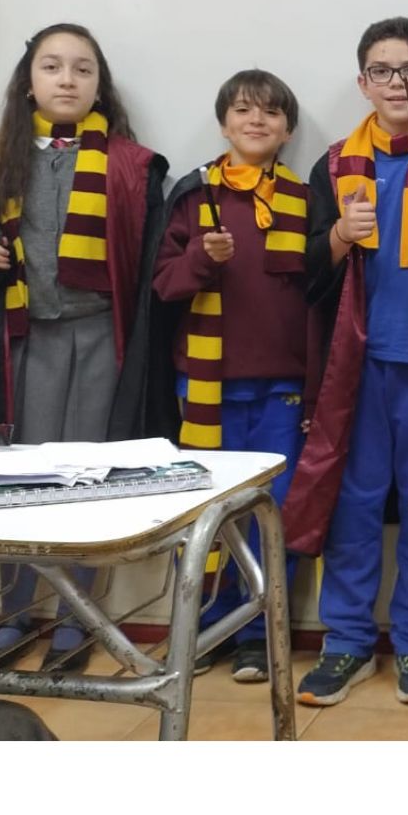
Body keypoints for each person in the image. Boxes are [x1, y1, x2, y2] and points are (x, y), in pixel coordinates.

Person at [282, 18, 408, 706]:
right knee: (353, 503)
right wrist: (340, 235)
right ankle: (345, 641)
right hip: (356, 363)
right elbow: (306, 269)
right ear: (363, 83)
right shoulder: (336, 164)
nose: (398, 83)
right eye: (382, 71)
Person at [0, 24, 168, 671]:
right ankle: (15, 616)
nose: (67, 79)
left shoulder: (133, 167)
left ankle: (78, 621)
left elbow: (147, 265)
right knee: (16, 483)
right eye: (51, 66)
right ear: (28, 81)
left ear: (99, 86)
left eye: (83, 69)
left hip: (99, 339)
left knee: (87, 482)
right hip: (19, 342)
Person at [152, 69, 309, 683]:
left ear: (287, 130)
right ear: (223, 124)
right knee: (206, 512)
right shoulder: (195, 194)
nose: (256, 120)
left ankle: (257, 632)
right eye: (243, 110)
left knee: (274, 511)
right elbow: (163, 285)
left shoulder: (303, 198)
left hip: (283, 386)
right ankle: (204, 625)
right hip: (206, 383)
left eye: (270, 112)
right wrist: (200, 257)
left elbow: (320, 291)